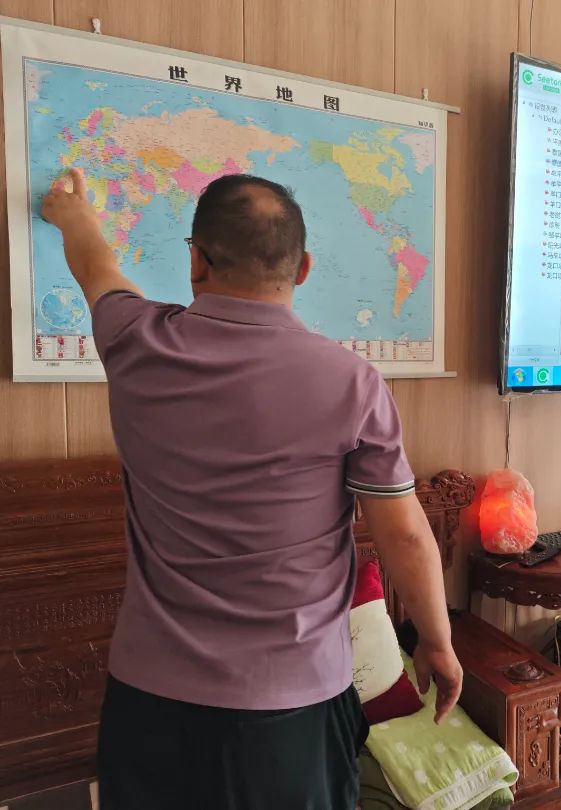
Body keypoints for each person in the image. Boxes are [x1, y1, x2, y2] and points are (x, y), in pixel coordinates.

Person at [41, 169, 463, 810]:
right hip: (293, 714)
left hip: (151, 705)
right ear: (304, 269)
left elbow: (95, 266)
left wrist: (72, 214)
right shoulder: (351, 381)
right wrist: (437, 642)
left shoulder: (135, 339)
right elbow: (403, 533)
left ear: (196, 261)